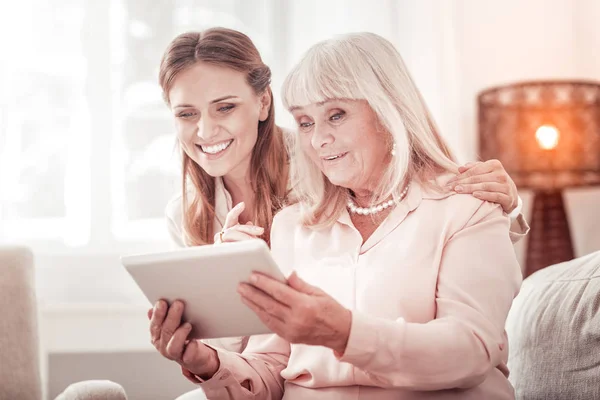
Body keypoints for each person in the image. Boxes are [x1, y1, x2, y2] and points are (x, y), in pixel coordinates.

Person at [149, 32, 524, 399]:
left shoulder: (462, 204)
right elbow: (268, 361)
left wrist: (341, 332)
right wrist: (206, 361)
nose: (317, 140)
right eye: (306, 122)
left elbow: (471, 346)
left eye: (337, 115)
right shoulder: (288, 223)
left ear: (387, 111)